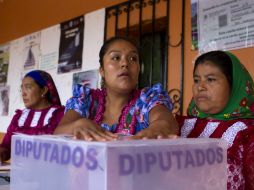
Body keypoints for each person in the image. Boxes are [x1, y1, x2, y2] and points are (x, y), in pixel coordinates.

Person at [54, 36, 179, 141]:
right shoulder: (86, 100)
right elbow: (59, 131)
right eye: (116, 58)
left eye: (133, 58)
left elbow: (165, 121)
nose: (125, 64)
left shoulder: (147, 99)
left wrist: (159, 127)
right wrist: (78, 124)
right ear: (102, 70)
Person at [176, 51, 254, 190]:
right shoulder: (180, 125)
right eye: (196, 80)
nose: (200, 87)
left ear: (233, 85)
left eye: (210, 79)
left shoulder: (247, 134)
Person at [0, 70, 65, 162]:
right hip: (20, 173)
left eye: (28, 87)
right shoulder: (19, 117)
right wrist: (2, 152)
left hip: (50, 173)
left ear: (44, 90)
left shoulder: (59, 115)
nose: (23, 93)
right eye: (22, 88)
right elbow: (6, 148)